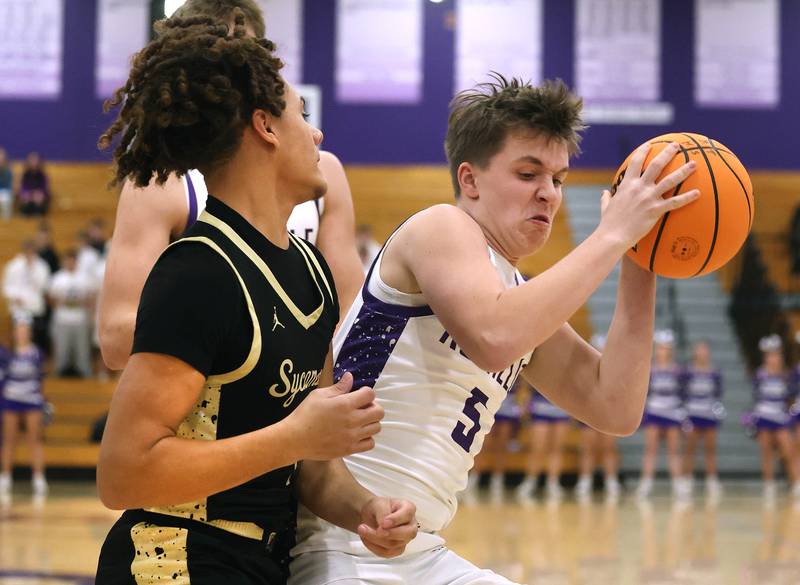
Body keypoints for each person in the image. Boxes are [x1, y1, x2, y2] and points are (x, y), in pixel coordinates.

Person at [290, 74, 699, 585]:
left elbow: (613, 405)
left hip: (418, 550)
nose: (549, 193)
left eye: (558, 179)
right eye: (529, 174)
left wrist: (642, 259)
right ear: (470, 180)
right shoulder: (441, 226)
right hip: (342, 544)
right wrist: (613, 234)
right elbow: (493, 338)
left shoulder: (513, 291)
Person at [93, 14, 416, 585]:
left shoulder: (312, 272)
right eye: (304, 117)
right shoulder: (197, 271)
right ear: (266, 126)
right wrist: (294, 437)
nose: (317, 136)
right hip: (172, 558)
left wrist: (364, 508)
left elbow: (313, 467)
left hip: (267, 560)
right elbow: (122, 473)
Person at [98, 0, 363, 372]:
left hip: (301, 399)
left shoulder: (323, 173)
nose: (229, 79)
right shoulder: (163, 185)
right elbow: (114, 338)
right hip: (199, 411)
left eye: (244, 60)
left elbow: (349, 308)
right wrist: (251, 341)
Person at [636, 330, 688, 501]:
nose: (662, 352)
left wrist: (681, 412)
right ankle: (646, 484)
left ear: (670, 350)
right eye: (659, 348)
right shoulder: (649, 369)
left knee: (674, 450)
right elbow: (644, 392)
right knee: (650, 449)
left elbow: (683, 393)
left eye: (665, 348)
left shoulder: (678, 371)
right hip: (654, 411)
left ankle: (678, 485)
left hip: (672, 412)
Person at [0, 317, 48, 501]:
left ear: (29, 332)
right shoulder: (6, 353)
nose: (22, 332)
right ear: (14, 332)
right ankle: (5, 478)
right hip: (11, 399)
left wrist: (42, 401)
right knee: (9, 440)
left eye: (25, 329)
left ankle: (39, 479)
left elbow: (41, 379)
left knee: (34, 440)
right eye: (19, 329)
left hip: (32, 400)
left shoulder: (37, 353)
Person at [750, 335, 800, 502]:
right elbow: (757, 397)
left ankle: (796, 483)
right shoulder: (759, 375)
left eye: (776, 355)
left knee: (788, 450)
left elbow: (791, 398)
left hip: (781, 417)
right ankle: (768, 486)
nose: (774, 359)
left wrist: (791, 418)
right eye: (770, 355)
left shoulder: (787, 375)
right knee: (766, 453)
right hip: (764, 416)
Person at [575, 334, 620, 502]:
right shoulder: (583, 368)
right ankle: (585, 481)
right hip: (588, 413)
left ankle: (611, 481)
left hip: (607, 413)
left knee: (608, 449)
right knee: (588, 449)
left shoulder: (613, 368)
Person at [682, 340, 724, 501]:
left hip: (709, 413)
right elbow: (682, 390)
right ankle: (687, 480)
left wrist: (715, 410)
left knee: (710, 449)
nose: (702, 352)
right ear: (695, 352)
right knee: (690, 449)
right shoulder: (688, 371)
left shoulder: (714, 371)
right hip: (692, 413)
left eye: (705, 349)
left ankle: (712, 481)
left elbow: (719, 392)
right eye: (699, 349)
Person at [516, 391, 571, 504]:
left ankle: (553, 483)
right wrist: (525, 405)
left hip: (561, 407)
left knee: (556, 449)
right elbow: (526, 384)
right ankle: (530, 481)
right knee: (537, 448)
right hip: (540, 406)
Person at [48, 250, 94, 378]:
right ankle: (57, 376)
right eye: (67, 260)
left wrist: (82, 303)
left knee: (82, 352)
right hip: (62, 319)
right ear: (64, 262)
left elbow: (92, 297)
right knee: (61, 351)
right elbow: (50, 298)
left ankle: (87, 376)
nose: (70, 263)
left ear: (76, 262)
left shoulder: (84, 278)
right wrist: (61, 302)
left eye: (72, 260)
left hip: (80, 320)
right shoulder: (58, 278)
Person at [2, 239, 51, 352]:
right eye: (27, 250)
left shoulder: (42, 266)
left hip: (35, 309)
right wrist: (15, 297)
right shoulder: (13, 266)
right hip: (19, 309)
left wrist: (32, 269)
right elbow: (6, 287)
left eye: (32, 250)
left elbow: (44, 286)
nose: (30, 253)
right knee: (19, 338)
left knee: (37, 339)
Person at [17, 152, 50, 217]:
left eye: (35, 161)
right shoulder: (25, 174)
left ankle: (38, 214)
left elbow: (44, 188)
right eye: (32, 161)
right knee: (25, 197)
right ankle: (25, 214)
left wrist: (39, 193)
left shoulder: (42, 175)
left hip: (39, 196)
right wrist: (26, 193)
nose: (34, 163)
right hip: (28, 195)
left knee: (38, 197)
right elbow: (23, 187)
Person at [0, 147, 13, 220]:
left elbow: (8, 186)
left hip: (5, 192)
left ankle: (6, 221)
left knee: (5, 198)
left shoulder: (8, 170)